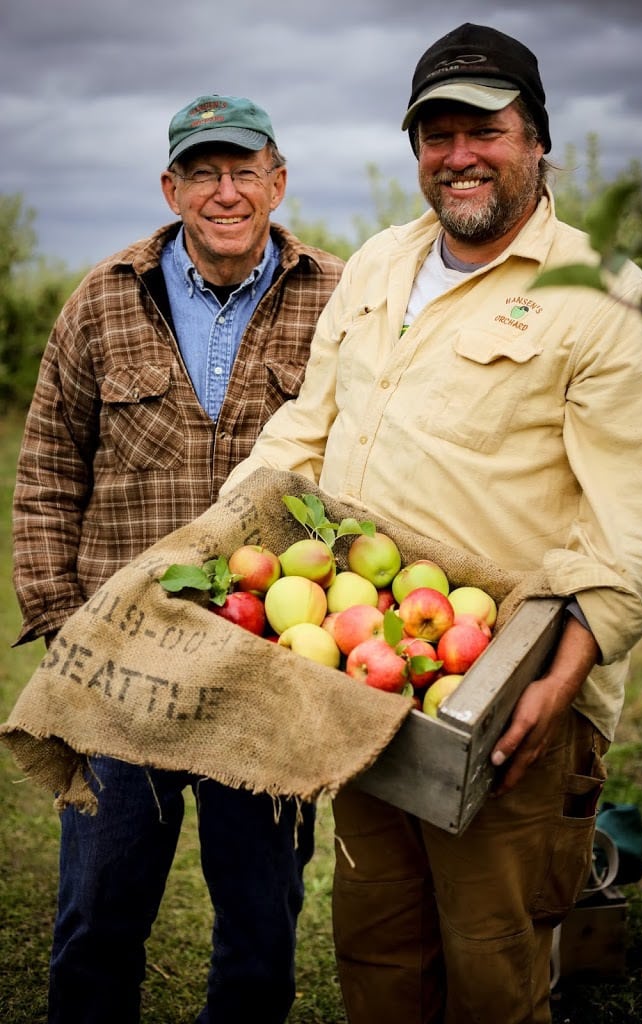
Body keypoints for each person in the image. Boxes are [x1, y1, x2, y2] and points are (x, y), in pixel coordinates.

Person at [221, 24, 642, 1024]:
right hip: (361, 667)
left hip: (509, 697)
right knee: (379, 946)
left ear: (536, 139)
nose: (457, 153)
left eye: (484, 128)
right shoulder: (381, 264)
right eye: (435, 131)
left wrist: (557, 685)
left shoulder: (606, 301)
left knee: (492, 967)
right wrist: (223, 537)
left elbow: (624, 532)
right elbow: (309, 424)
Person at [12, 93, 343, 1024]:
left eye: (245, 170)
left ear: (278, 181)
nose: (227, 191)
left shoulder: (340, 297)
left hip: (273, 667)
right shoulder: (103, 299)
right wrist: (57, 621)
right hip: (124, 668)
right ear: (171, 186)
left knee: (260, 922)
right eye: (204, 171)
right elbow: (45, 472)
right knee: (96, 915)